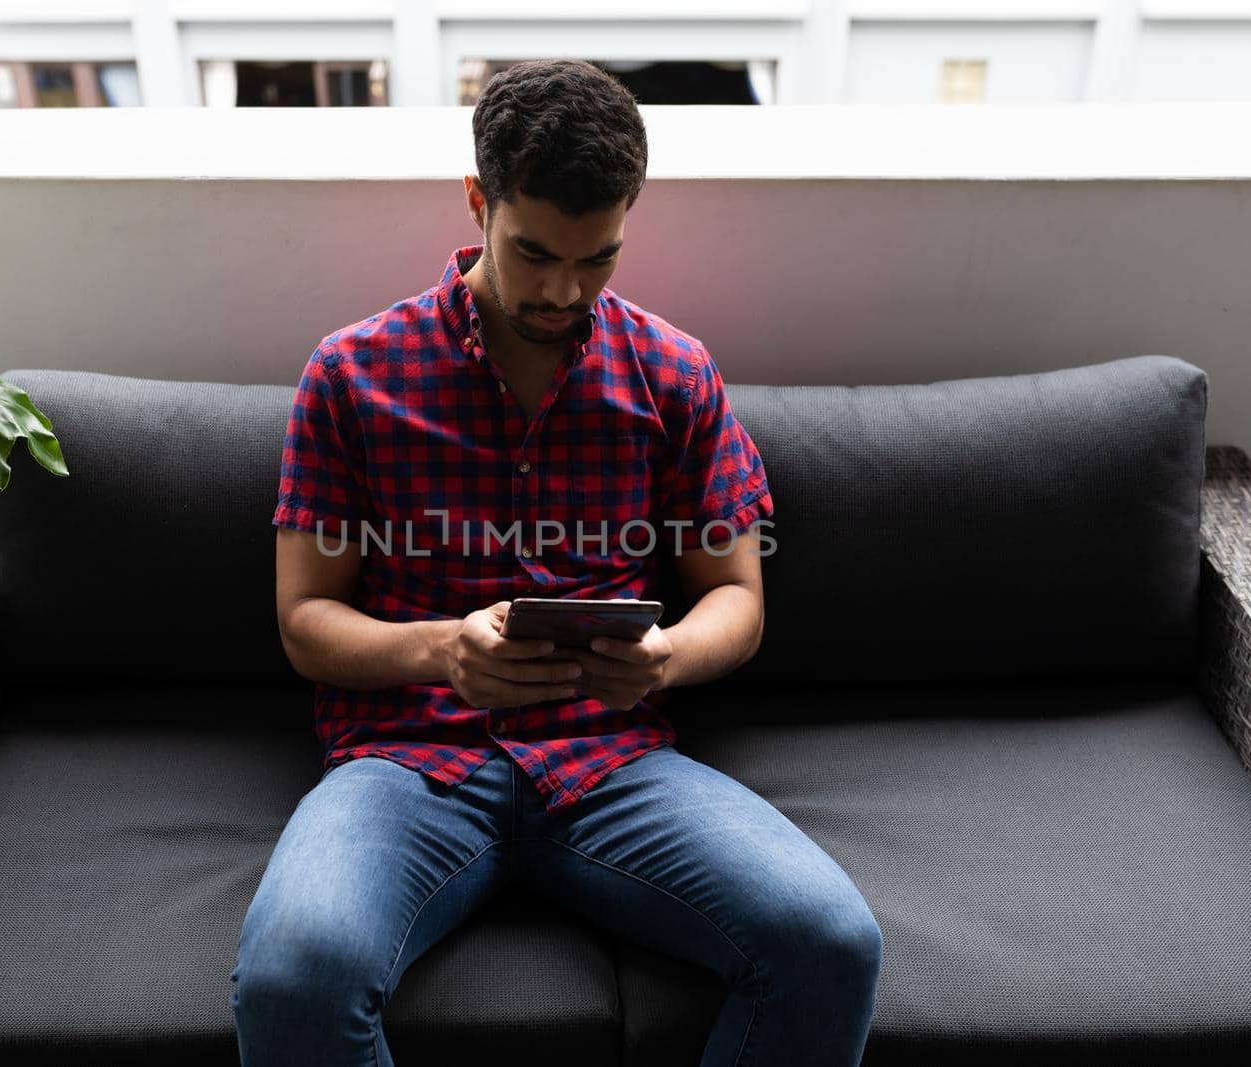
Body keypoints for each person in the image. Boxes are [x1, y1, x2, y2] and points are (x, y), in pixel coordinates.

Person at [231, 58, 882, 1067]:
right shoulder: (352, 373)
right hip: (410, 764)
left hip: (610, 762)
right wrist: (445, 650)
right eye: (534, 254)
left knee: (830, 942)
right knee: (293, 977)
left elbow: (735, 599)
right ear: (477, 202)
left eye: (597, 260)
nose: (563, 290)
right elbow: (305, 620)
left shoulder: (672, 373)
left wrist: (664, 656)